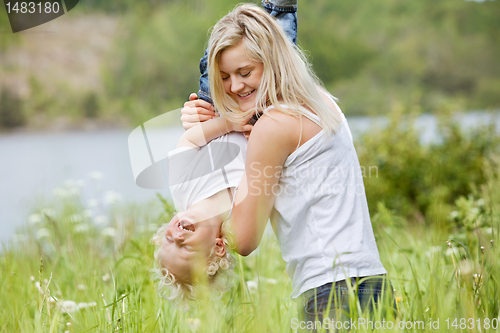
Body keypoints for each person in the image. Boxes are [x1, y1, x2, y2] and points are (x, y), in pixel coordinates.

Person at [180, 2, 395, 326]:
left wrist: (220, 127)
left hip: (331, 293)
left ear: (271, 61)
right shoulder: (319, 101)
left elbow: (244, 237)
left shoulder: (274, 126)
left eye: (245, 72)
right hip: (374, 287)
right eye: (223, 77)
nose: (235, 86)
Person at [151, 0, 299, 303]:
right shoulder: (238, 219)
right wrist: (256, 131)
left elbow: (191, 140)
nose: (177, 236)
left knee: (223, 55)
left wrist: (227, 122)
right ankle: (282, 9)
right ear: (218, 248)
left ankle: (237, 25)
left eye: (169, 239)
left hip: (218, 108)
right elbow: (268, 169)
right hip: (260, 120)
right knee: (280, 67)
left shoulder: (183, 191)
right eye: (186, 248)